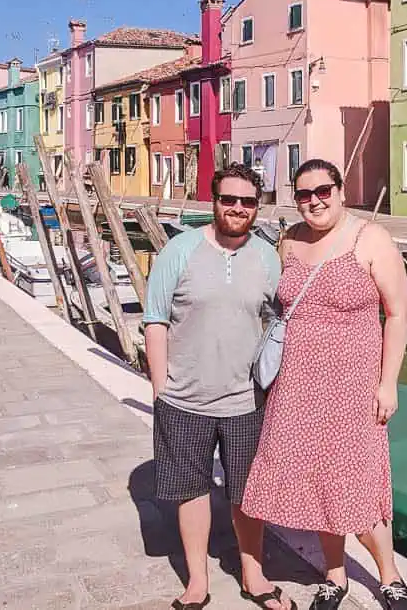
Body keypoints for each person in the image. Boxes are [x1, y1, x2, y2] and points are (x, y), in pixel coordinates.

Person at [243, 159, 407, 610]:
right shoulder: (289, 242)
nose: (314, 201)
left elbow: (398, 313)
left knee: (356, 480)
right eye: (303, 194)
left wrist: (388, 384)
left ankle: (390, 575)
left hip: (352, 386)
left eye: (323, 190)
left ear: (340, 190)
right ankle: (334, 575)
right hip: (296, 385)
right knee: (318, 482)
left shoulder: (370, 238)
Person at [143, 164, 291, 610]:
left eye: (247, 202)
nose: (238, 209)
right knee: (191, 489)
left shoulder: (267, 258)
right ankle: (197, 581)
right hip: (184, 398)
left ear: (257, 206)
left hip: (247, 400)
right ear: (214, 200)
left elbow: (284, 319)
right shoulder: (179, 250)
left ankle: (254, 573)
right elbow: (155, 318)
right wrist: (159, 388)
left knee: (249, 492)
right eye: (229, 199)